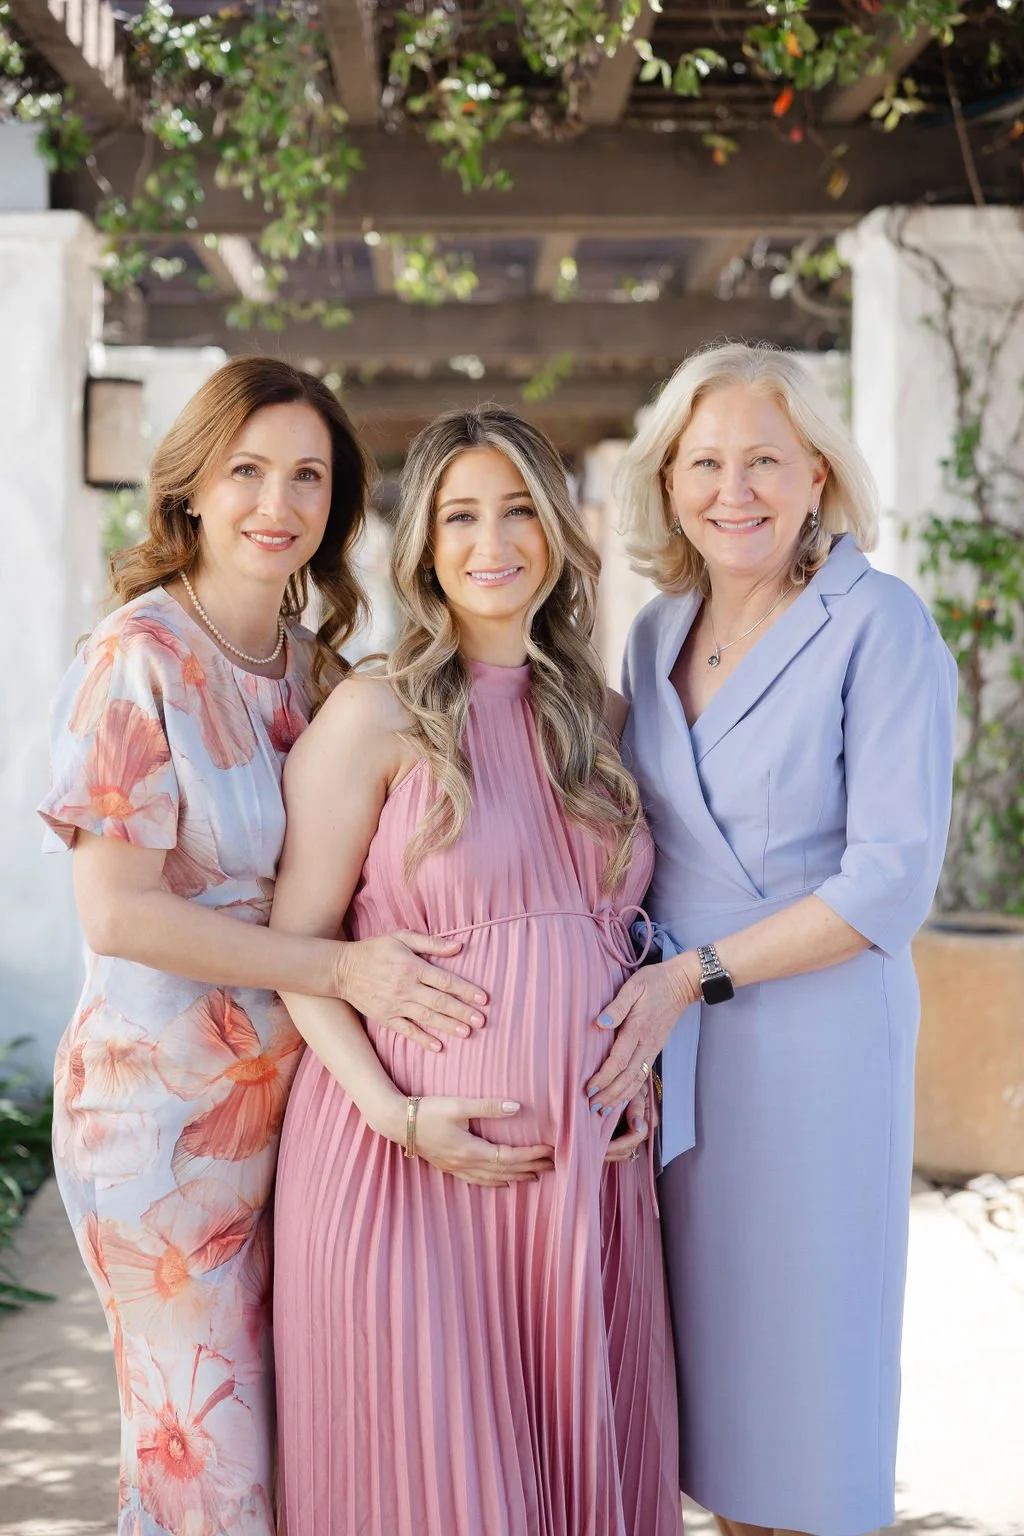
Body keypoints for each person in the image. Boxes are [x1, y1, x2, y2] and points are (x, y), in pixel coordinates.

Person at [38, 358, 491, 1536]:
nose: (274, 503)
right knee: (206, 1465)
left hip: (296, 1113)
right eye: (245, 470)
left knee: (298, 1453)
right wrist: (341, 972)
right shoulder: (135, 656)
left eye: (307, 476)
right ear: (191, 488)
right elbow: (119, 913)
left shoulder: (316, 672)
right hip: (158, 1125)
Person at [270, 407, 683, 1536]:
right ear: (424, 545)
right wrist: (395, 1114)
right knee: (441, 1493)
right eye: (460, 514)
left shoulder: (603, 724)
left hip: (583, 1184)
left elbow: (623, 936)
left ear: (556, 531)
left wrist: (637, 1069)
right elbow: (302, 953)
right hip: (404, 1173)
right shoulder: (373, 713)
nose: (490, 540)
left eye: (516, 510)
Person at [586, 343, 958, 1536]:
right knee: (706, 1395)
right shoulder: (654, 633)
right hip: (677, 1051)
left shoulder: (880, 624)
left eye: (763, 460)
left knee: (806, 1393)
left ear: (816, 478)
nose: (730, 489)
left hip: (810, 1043)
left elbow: (887, 885)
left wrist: (693, 976)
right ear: (668, 480)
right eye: (705, 462)